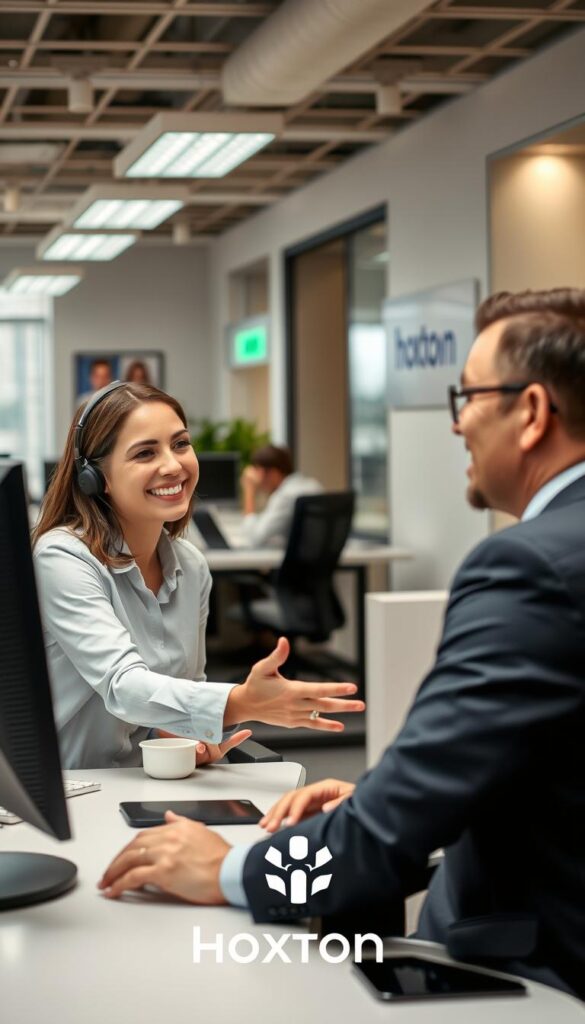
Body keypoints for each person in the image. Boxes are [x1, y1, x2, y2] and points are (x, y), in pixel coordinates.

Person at [100, 289, 585, 999]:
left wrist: (229, 870)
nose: (455, 425)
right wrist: (374, 800)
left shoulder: (527, 566)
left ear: (533, 412)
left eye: (468, 396)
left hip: (538, 967)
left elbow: (391, 837)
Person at [33, 382, 364, 770]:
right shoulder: (64, 557)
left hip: (145, 779)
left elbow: (185, 690)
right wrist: (240, 702)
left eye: (180, 444)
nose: (173, 465)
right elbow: (122, 687)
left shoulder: (190, 566)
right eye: (145, 453)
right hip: (69, 790)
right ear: (95, 476)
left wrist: (189, 735)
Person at [240, 444, 323, 548]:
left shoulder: (285, 496)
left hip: (296, 563)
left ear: (273, 473)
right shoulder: (313, 485)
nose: (258, 479)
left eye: (258, 471)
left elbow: (254, 539)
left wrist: (249, 490)